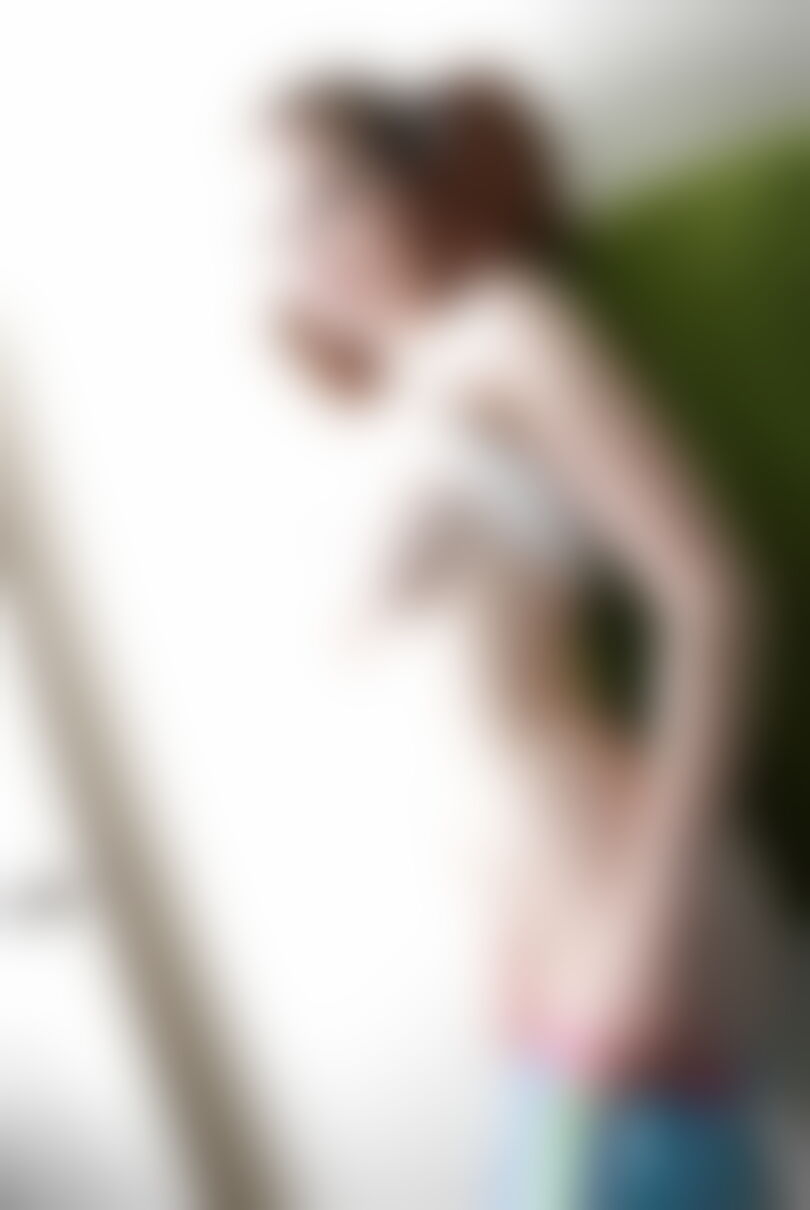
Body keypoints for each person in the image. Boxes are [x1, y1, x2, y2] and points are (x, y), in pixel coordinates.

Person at [262, 72, 774, 1209]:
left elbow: (711, 596)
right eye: (275, 229)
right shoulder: (397, 403)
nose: (303, 249)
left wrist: (648, 919)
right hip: (528, 955)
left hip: (617, 902)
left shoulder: (504, 330)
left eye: (325, 199)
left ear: (411, 184)